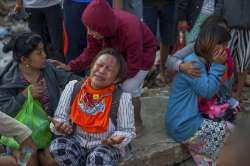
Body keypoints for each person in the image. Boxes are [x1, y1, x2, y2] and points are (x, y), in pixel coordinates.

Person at [49, 0, 156, 135]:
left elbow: (134, 65)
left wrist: (113, 80)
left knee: (128, 89)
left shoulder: (130, 28)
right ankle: (112, 122)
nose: (89, 32)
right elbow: (90, 52)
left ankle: (137, 123)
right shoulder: (97, 26)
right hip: (116, 53)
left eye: (92, 29)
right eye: (87, 27)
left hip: (142, 55)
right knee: (101, 84)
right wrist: (71, 66)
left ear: (104, 27)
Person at [0, 32, 80, 165]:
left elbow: (71, 81)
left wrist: (95, 84)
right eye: (39, 53)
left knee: (50, 161)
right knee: (27, 160)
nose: (44, 56)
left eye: (43, 50)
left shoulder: (48, 68)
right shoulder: (9, 82)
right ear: (25, 60)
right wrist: (23, 96)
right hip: (24, 138)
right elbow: (3, 114)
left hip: (50, 133)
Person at [49, 48, 135, 166]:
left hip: (105, 146)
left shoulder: (122, 98)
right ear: (92, 66)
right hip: (78, 141)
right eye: (99, 65)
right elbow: (60, 117)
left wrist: (115, 139)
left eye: (109, 69)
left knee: (98, 158)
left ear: (117, 78)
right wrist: (60, 126)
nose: (101, 71)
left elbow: (127, 131)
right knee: (57, 147)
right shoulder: (73, 87)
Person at [165, 25, 232, 165]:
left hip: (183, 122)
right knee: (235, 136)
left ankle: (206, 159)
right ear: (212, 43)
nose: (226, 49)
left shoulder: (197, 59)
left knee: (218, 153)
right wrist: (217, 65)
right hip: (184, 125)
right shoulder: (193, 64)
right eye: (224, 45)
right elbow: (207, 92)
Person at [215, 0, 250, 101]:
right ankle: (225, 92)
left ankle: (238, 93)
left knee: (244, 63)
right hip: (227, 27)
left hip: (247, 29)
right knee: (224, 60)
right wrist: (217, 22)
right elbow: (220, 4)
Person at [143, 0, 176, 83]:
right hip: (149, 3)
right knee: (148, 37)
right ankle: (147, 70)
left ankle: (161, 71)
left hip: (169, 3)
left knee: (167, 38)